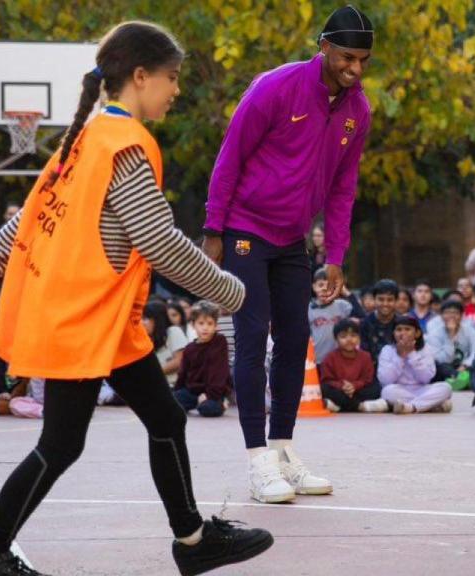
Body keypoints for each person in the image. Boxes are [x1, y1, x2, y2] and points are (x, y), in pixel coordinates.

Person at [0, 21, 271, 575]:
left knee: (167, 418)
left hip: (104, 322)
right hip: (85, 320)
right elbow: (159, 241)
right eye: (172, 78)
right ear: (140, 77)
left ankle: (192, 540)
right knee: (62, 443)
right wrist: (231, 290)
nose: (177, 90)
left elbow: (29, 224)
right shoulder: (125, 144)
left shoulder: (86, 138)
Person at [200, 5, 373, 505]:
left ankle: (282, 451)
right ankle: (257, 460)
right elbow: (229, 155)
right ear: (323, 46)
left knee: (296, 338)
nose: (355, 69)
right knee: (253, 337)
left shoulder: (357, 111)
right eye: (347, 57)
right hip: (245, 229)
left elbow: (344, 188)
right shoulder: (275, 88)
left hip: (293, 238)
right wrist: (214, 230)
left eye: (363, 60)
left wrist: (335, 252)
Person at [379, 315, 452, 414]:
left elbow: (425, 378)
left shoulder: (425, 349)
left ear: (417, 333)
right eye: (399, 330)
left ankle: (411, 407)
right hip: (399, 390)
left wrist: (412, 355)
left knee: (446, 388)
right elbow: (386, 380)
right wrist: (400, 357)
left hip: (422, 389)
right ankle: (430, 405)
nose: (403, 333)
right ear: (393, 333)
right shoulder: (387, 350)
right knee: (387, 391)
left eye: (407, 329)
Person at [174, 301, 232, 418]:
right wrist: (177, 392)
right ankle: (197, 403)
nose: (205, 328)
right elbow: (183, 373)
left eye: (210, 324)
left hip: (214, 392)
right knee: (172, 402)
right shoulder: (190, 348)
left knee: (207, 409)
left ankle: (222, 403)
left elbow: (219, 372)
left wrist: (209, 395)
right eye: (201, 323)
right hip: (193, 391)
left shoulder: (219, 342)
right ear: (193, 325)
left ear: (216, 326)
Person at [320, 319, 388, 413]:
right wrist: (342, 386)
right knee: (323, 389)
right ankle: (360, 406)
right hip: (340, 390)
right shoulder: (330, 357)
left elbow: (367, 379)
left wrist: (354, 386)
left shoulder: (365, 356)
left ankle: (339, 407)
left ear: (359, 338)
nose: (349, 340)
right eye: (343, 336)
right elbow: (327, 380)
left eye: (353, 336)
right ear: (336, 339)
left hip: (357, 389)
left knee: (375, 388)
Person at [425, 300, 475, 386]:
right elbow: (441, 359)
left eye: (455, 313)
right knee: (438, 366)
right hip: (446, 368)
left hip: (465, 367)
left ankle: (460, 381)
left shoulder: (469, 331)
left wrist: (465, 365)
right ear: (441, 316)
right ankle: (460, 380)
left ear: (461, 316)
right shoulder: (435, 333)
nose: (451, 316)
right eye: (447, 313)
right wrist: (451, 336)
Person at [309, 267, 353, 364]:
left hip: (340, 362)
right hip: (317, 360)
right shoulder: (309, 309)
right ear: (313, 287)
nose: (324, 289)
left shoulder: (342, 305)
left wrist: (346, 292)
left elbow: (361, 315)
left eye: (329, 286)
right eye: (320, 285)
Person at [144, 301, 189, 386]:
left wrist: (153, 374)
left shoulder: (173, 331)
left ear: (157, 319)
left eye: (145, 318)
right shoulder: (147, 338)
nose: (142, 322)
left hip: (174, 385)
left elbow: (179, 360)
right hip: (156, 386)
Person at [360, 279, 399, 363]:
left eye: (390, 300)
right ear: (374, 299)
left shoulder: (401, 323)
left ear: (396, 301)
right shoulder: (365, 324)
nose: (385, 304)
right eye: (381, 299)